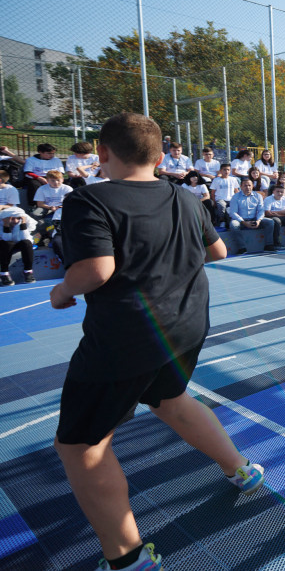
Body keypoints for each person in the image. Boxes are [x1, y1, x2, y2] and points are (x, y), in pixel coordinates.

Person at [50, 112, 263, 571]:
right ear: (160, 154)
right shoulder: (184, 196)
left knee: (81, 447)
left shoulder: (89, 200)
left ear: (102, 153)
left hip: (126, 341)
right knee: (171, 400)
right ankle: (241, 470)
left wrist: (62, 291)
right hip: (186, 327)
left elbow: (96, 270)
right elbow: (218, 250)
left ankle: (127, 559)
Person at [229, 177, 278, 254]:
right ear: (241, 187)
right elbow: (233, 212)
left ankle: (269, 245)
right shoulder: (235, 197)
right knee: (233, 225)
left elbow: (261, 210)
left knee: (270, 222)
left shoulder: (258, 196)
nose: (247, 187)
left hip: (255, 219)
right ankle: (242, 248)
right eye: (245, 185)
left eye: (249, 185)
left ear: (252, 186)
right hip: (241, 220)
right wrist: (243, 222)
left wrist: (258, 220)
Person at [0, 207, 36, 285]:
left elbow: (25, 238)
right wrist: (6, 225)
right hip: (4, 244)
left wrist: (23, 224)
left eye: (18, 218)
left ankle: (28, 271)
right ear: (4, 218)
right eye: (12, 219)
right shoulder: (1, 222)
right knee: (7, 243)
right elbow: (6, 239)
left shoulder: (25, 221)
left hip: (18, 242)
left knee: (27, 243)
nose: (15, 221)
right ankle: (4, 273)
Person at [209, 163, 240, 229]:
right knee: (222, 206)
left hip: (231, 198)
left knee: (231, 210)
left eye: (228, 170)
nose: (226, 171)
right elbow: (213, 192)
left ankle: (231, 223)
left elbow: (236, 190)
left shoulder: (233, 179)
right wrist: (214, 201)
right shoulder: (216, 180)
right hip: (220, 198)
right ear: (220, 171)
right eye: (224, 170)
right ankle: (222, 220)